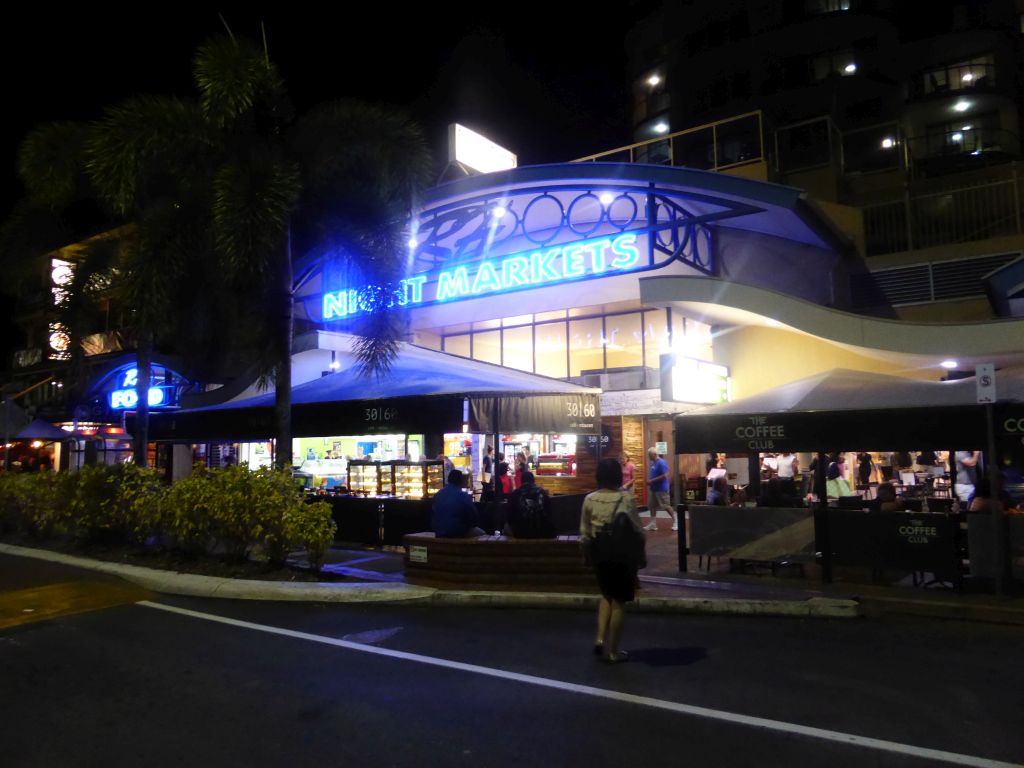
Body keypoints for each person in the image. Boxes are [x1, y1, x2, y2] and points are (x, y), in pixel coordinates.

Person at [580, 457, 645, 664]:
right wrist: (641, 556)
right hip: (622, 555)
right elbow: (639, 532)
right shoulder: (626, 499)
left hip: (600, 553)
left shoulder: (589, 499)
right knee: (619, 601)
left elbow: (584, 534)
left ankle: (600, 638)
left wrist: (586, 555)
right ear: (618, 476)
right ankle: (614, 652)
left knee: (606, 595)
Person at [431, 470, 485, 538]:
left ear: (448, 480)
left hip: (438, 532)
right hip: (457, 532)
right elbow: (474, 518)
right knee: (482, 533)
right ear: (461, 481)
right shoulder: (463, 495)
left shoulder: (438, 494)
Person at [506, 470, 555, 538]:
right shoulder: (542, 493)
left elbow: (509, 516)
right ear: (533, 480)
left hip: (520, 533)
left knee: (506, 527)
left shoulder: (515, 494)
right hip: (542, 532)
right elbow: (549, 513)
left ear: (521, 481)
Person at [645, 446, 677, 532]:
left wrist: (651, 481)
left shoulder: (661, 463)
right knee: (652, 506)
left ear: (654, 454)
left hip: (661, 489)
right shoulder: (654, 463)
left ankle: (676, 521)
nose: (648, 456)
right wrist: (651, 482)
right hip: (654, 489)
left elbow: (665, 475)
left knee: (666, 506)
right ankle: (653, 524)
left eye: (649, 455)